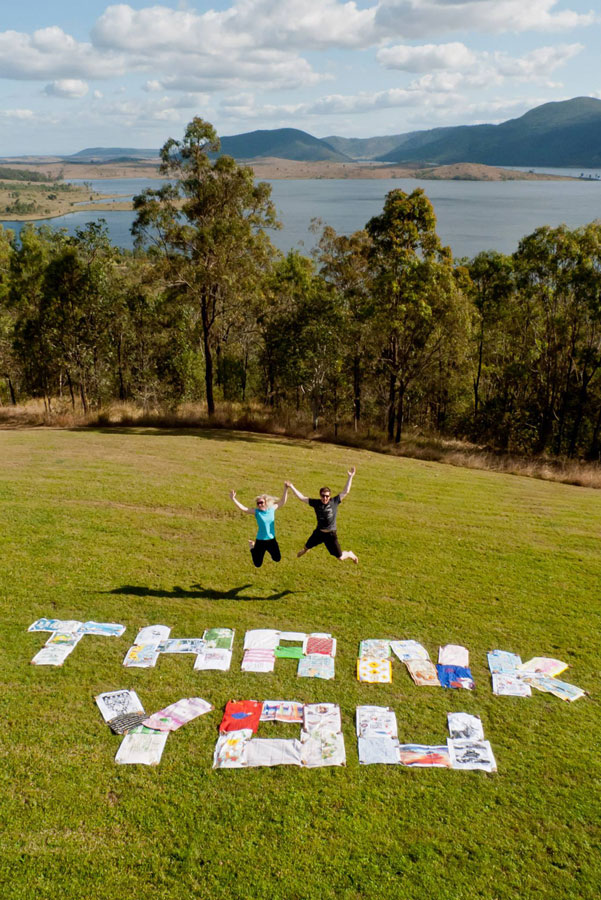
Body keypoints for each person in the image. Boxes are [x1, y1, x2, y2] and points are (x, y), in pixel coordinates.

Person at [287, 467, 358, 563]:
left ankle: (350, 554)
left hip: (330, 534)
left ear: (330, 496)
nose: (325, 498)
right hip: (319, 532)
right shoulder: (316, 503)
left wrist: (350, 477)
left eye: (327, 496)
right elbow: (302, 497)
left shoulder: (334, 501)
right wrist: (291, 486)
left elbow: (346, 491)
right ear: (320, 495)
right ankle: (305, 550)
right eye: (323, 496)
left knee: (340, 557)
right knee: (306, 546)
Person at [229, 484, 288, 568]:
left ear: (266, 502)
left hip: (271, 539)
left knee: (277, 558)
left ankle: (255, 547)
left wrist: (286, 489)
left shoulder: (272, 509)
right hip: (260, 540)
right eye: (258, 503)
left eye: (261, 503)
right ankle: (252, 547)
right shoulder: (256, 512)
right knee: (257, 564)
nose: (259, 505)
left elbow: (282, 502)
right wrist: (233, 499)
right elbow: (244, 508)